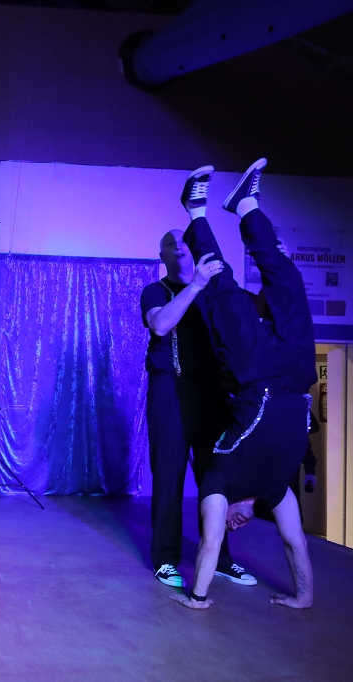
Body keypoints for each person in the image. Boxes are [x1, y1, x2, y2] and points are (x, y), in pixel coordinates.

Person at [168, 159, 316, 610]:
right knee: (287, 280)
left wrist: (198, 597)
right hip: (298, 373)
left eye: (230, 521)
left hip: (254, 375)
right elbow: (295, 542)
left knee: (224, 292)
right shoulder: (277, 491)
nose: (235, 524)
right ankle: (247, 205)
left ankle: (196, 213)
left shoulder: (218, 483)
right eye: (238, 523)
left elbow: (210, 543)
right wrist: (304, 598)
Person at [140, 166, 255, 589]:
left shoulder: (211, 291)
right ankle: (166, 559)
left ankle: (220, 557)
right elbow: (160, 325)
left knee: (214, 477)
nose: (180, 248)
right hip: (170, 390)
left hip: (211, 394)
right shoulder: (156, 291)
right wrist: (194, 287)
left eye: (183, 243)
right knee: (169, 476)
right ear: (163, 256)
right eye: (171, 245)